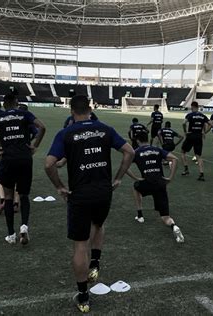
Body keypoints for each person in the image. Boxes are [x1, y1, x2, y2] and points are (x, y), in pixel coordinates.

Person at [44, 95, 134, 313]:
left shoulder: (66, 133)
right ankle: (95, 263)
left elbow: (49, 164)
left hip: (80, 195)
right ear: (91, 109)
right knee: (98, 224)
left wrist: (59, 187)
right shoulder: (105, 129)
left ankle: (83, 297)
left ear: (71, 111)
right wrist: (119, 177)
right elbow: (129, 151)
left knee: (79, 245)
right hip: (103, 193)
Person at [0, 94, 46, 245]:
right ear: (17, 103)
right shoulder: (25, 114)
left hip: (8, 159)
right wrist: (34, 146)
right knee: (24, 195)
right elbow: (42, 127)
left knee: (8, 196)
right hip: (24, 158)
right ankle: (24, 226)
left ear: (4, 104)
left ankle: (11, 234)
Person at [126, 132, 184, 242]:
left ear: (138, 141)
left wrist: (136, 178)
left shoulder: (136, 152)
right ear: (147, 139)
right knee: (165, 217)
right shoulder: (157, 150)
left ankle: (140, 215)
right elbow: (175, 159)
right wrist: (170, 177)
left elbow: (124, 166)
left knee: (135, 187)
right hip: (160, 184)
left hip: (147, 183)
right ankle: (174, 226)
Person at [181, 101, 210, 181]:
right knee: (198, 156)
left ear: (192, 106)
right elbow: (211, 124)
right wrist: (204, 132)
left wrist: (185, 132)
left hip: (191, 135)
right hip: (199, 136)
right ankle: (201, 174)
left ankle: (186, 169)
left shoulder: (190, 115)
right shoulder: (202, 115)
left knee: (183, 152)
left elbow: (184, 123)